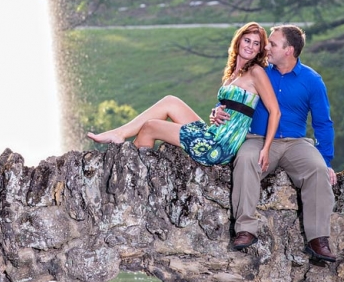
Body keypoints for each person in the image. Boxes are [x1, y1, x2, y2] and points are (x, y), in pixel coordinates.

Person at [214, 24, 337, 261]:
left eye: (273, 43)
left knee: (318, 170)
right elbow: (232, 96)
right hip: (258, 138)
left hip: (295, 143)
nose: (266, 47)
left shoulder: (312, 81)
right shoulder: (259, 71)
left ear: (289, 50)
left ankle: (318, 239)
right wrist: (216, 111)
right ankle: (245, 229)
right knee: (246, 158)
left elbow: (323, 123)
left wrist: (327, 160)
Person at [88, 22, 280, 172]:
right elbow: (232, 106)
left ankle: (133, 173)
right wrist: (214, 112)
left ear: (259, 50)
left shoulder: (256, 72)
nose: (250, 46)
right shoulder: (232, 74)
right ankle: (120, 134)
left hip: (220, 146)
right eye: (247, 40)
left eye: (256, 44)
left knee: (150, 127)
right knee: (170, 101)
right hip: (214, 133)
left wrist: (266, 149)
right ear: (238, 41)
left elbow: (275, 111)